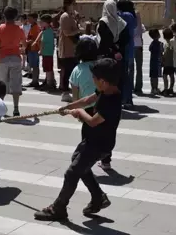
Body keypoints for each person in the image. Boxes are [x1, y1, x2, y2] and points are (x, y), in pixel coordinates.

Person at [34, 58, 121, 221]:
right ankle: (98, 197)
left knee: (72, 172)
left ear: (102, 81)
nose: (93, 82)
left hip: (99, 143)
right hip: (92, 139)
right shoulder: (105, 91)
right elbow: (88, 99)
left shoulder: (112, 101)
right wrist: (69, 107)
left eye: (94, 79)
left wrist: (80, 113)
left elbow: (93, 121)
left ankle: (58, 208)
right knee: (78, 163)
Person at [0, 6, 26, 117]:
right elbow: (24, 45)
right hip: (16, 58)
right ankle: (16, 108)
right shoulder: (20, 29)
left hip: (3, 58)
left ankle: (0, 108)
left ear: (4, 15)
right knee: (16, 84)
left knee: (2, 84)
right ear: (15, 16)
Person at [68, 38, 98, 118]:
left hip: (86, 110)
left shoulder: (77, 70)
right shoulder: (102, 66)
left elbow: (75, 97)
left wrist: (75, 110)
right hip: (104, 108)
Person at [58, 0, 80, 101]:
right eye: (73, 4)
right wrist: (79, 30)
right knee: (68, 71)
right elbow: (67, 33)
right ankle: (65, 92)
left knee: (73, 70)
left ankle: (71, 91)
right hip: (67, 49)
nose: (75, 6)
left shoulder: (71, 16)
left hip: (73, 48)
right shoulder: (65, 16)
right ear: (68, 5)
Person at [116, 0, 137, 107]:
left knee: (123, 76)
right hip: (130, 49)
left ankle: (124, 99)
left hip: (124, 49)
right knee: (128, 75)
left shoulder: (124, 15)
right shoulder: (132, 16)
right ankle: (128, 99)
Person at [37, 14, 57, 91]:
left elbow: (42, 42)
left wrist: (40, 51)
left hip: (46, 52)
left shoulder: (46, 32)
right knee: (49, 68)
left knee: (47, 69)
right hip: (50, 52)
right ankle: (50, 82)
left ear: (46, 23)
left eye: (42, 22)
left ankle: (49, 84)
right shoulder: (50, 30)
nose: (40, 23)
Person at [26, 13, 41, 88]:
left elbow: (34, 39)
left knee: (35, 66)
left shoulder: (36, 28)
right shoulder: (32, 27)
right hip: (31, 49)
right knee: (34, 66)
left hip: (34, 49)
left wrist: (26, 41)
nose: (28, 20)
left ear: (34, 19)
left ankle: (35, 81)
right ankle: (34, 80)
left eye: (29, 18)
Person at [132, 13, 146, 94]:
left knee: (132, 68)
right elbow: (142, 32)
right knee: (139, 68)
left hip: (132, 46)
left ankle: (132, 86)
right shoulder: (140, 25)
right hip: (138, 46)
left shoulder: (129, 24)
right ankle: (138, 87)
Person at [148, 29, 162, 95]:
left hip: (152, 61)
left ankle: (152, 88)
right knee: (156, 77)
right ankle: (155, 88)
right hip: (157, 61)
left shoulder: (152, 43)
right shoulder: (160, 44)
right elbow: (161, 52)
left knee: (152, 76)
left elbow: (150, 49)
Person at [162, 28, 175, 95]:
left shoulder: (167, 44)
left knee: (164, 76)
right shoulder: (173, 43)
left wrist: (163, 58)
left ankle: (166, 89)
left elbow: (165, 53)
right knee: (172, 76)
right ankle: (171, 88)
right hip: (172, 63)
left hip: (167, 63)